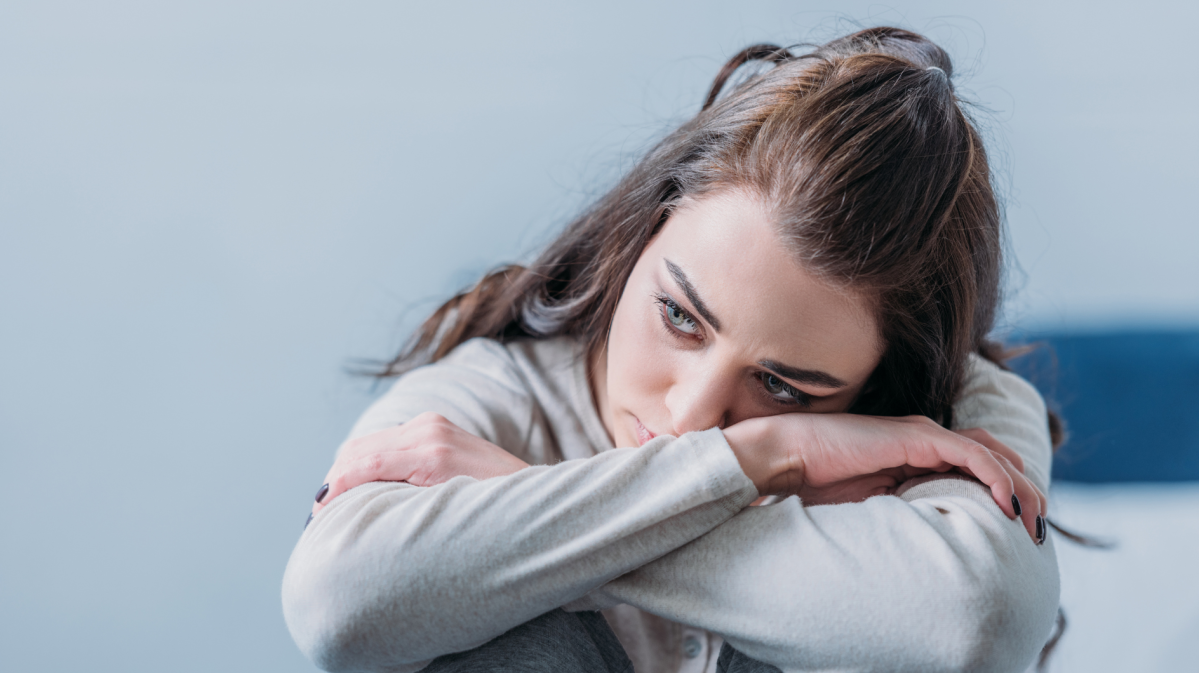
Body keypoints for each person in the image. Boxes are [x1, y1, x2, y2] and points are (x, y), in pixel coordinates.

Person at [282, 27, 1060, 673]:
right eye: (680, 317)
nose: (692, 416)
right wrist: (762, 451)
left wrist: (531, 501)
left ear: (882, 379)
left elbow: (974, 622)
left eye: (783, 386)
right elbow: (337, 603)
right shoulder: (493, 397)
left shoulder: (958, 421)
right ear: (642, 232)